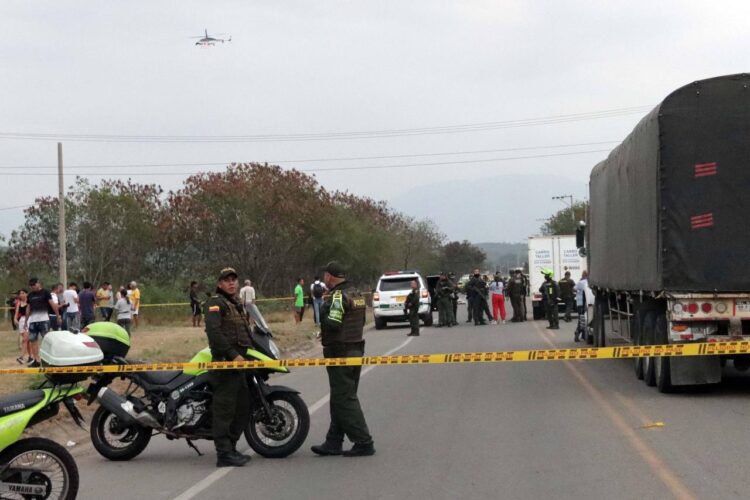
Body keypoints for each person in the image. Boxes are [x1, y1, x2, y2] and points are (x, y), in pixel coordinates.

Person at [311, 261, 375, 457]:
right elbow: (360, 321)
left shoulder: (338, 296)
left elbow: (334, 323)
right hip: (356, 348)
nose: (324, 279)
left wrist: (322, 310)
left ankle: (363, 442)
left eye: (325, 276)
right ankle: (333, 441)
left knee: (344, 399)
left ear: (330, 276)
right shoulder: (356, 294)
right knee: (340, 397)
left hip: (341, 353)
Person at [204, 267, 253, 468]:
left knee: (243, 405)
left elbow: (246, 333)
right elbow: (214, 333)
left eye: (234, 279)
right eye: (227, 280)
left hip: (239, 364)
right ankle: (223, 454)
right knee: (224, 409)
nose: (231, 283)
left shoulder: (236, 304)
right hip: (225, 363)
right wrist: (233, 355)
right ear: (219, 284)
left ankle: (231, 448)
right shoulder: (215, 303)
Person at [25, 278, 60, 367]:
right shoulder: (30, 295)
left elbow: (52, 304)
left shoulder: (45, 292)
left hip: (44, 320)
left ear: (39, 284)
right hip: (33, 321)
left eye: (34, 284)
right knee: (33, 341)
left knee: (47, 340)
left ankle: (49, 360)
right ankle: (36, 360)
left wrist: (58, 315)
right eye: (31, 285)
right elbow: (28, 308)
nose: (33, 286)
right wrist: (26, 320)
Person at [574, 271, 590, 342]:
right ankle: (581, 335)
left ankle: (579, 333)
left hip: (580, 303)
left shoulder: (581, 282)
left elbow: (574, 288)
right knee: (584, 319)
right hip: (587, 303)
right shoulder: (588, 282)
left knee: (581, 319)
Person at [14, 289, 29, 364]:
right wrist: (15, 319)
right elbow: (17, 311)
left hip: (29, 320)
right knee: (26, 340)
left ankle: (22, 357)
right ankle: (31, 356)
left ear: (26, 294)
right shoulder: (19, 302)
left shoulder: (29, 302)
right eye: (20, 293)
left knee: (25, 340)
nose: (21, 295)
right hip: (21, 321)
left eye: (23, 293)